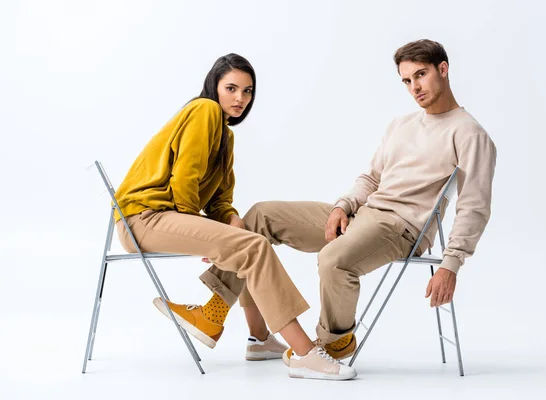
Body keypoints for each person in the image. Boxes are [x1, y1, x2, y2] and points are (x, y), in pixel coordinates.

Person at [199, 39, 497, 365]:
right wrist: (343, 206)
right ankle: (238, 327)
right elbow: (370, 179)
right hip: (363, 214)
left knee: (333, 260)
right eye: (407, 80)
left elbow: (474, 207)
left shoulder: (470, 134)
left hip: (401, 228)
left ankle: (332, 343)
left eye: (421, 75)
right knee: (259, 216)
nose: (414, 87)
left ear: (443, 69)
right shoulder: (402, 125)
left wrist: (450, 265)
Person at [113, 53, 357, 381]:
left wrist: (230, 219)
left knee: (249, 236)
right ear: (214, 86)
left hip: (160, 217)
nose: (240, 98)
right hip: (144, 217)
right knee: (253, 248)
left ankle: (258, 339)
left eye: (247, 91)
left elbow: (219, 198)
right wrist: (200, 230)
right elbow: (185, 176)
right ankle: (305, 353)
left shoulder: (225, 135)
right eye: (231, 88)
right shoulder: (205, 109)